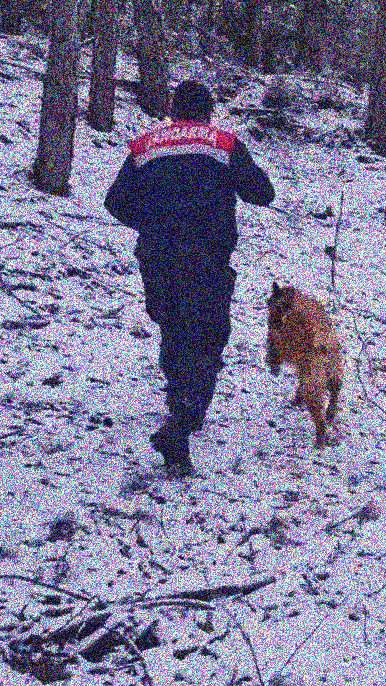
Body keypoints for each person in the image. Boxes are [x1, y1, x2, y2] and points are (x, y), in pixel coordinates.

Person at [105, 80, 274, 476]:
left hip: (157, 254)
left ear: (172, 109)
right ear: (208, 111)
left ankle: (181, 408)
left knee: (174, 328)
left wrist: (148, 224)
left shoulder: (147, 146)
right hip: (206, 255)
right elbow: (262, 192)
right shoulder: (223, 144)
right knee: (208, 336)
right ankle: (182, 420)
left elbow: (115, 202)